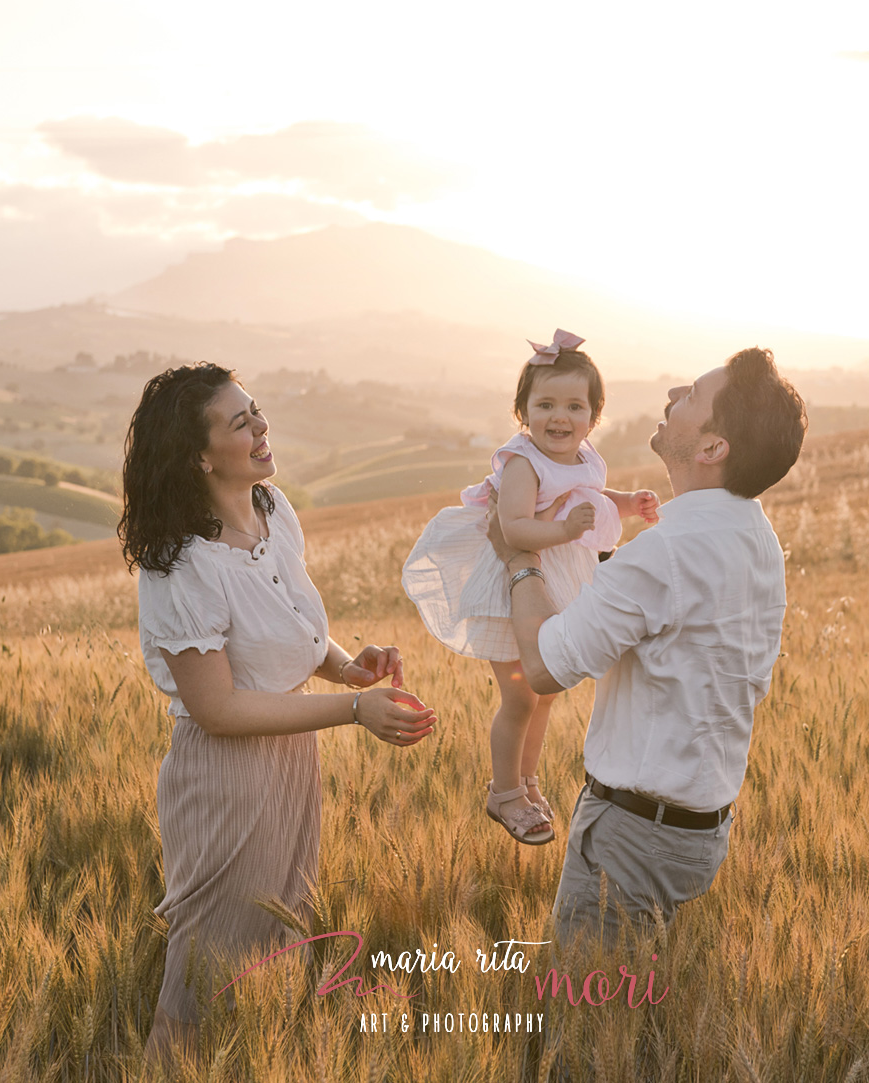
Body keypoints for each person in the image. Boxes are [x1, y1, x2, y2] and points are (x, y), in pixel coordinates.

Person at [118, 363, 437, 1065]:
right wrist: (354, 707)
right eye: (240, 421)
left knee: (273, 962)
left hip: (292, 765)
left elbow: (296, 629)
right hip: (227, 779)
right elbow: (219, 708)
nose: (261, 426)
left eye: (256, 410)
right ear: (199, 456)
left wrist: (350, 664)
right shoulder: (181, 565)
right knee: (199, 984)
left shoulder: (273, 509)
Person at [487, 346, 805, 946]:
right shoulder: (757, 535)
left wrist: (520, 559)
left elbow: (544, 667)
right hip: (702, 832)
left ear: (713, 448)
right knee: (643, 1023)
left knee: (585, 1024)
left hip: (632, 838)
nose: (669, 399)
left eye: (688, 396)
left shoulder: (664, 552)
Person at [403, 331, 658, 845]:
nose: (559, 417)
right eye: (544, 405)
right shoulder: (521, 463)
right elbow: (515, 528)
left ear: (594, 416)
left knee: (546, 696)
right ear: (522, 413)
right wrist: (565, 530)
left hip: (555, 584)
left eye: (573, 406)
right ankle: (504, 792)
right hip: (513, 588)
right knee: (520, 698)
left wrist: (629, 502)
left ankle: (527, 780)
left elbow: (587, 491)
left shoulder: (581, 456)